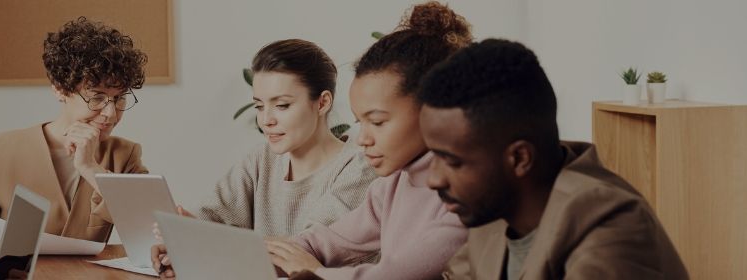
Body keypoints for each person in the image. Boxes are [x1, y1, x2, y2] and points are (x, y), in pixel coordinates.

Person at [421, 39, 689, 279]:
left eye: (452, 161)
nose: (433, 179)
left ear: (519, 158)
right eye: (433, 155)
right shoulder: (494, 209)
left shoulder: (611, 232)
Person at [263, 2, 472, 279]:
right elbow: (324, 242)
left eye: (377, 122)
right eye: (361, 122)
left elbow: (392, 275)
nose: (362, 140)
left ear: (434, 110)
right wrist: (259, 256)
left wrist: (316, 272)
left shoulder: (468, 194)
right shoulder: (391, 185)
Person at [0, 16, 150, 260]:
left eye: (119, 98)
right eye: (97, 98)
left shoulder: (125, 155)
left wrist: (90, 168)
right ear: (59, 88)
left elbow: (150, 231)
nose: (111, 114)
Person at [191, 39, 377, 238]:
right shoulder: (260, 159)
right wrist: (186, 235)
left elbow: (312, 249)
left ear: (322, 103)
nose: (265, 120)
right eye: (259, 106)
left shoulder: (360, 168)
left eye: (282, 105)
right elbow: (210, 216)